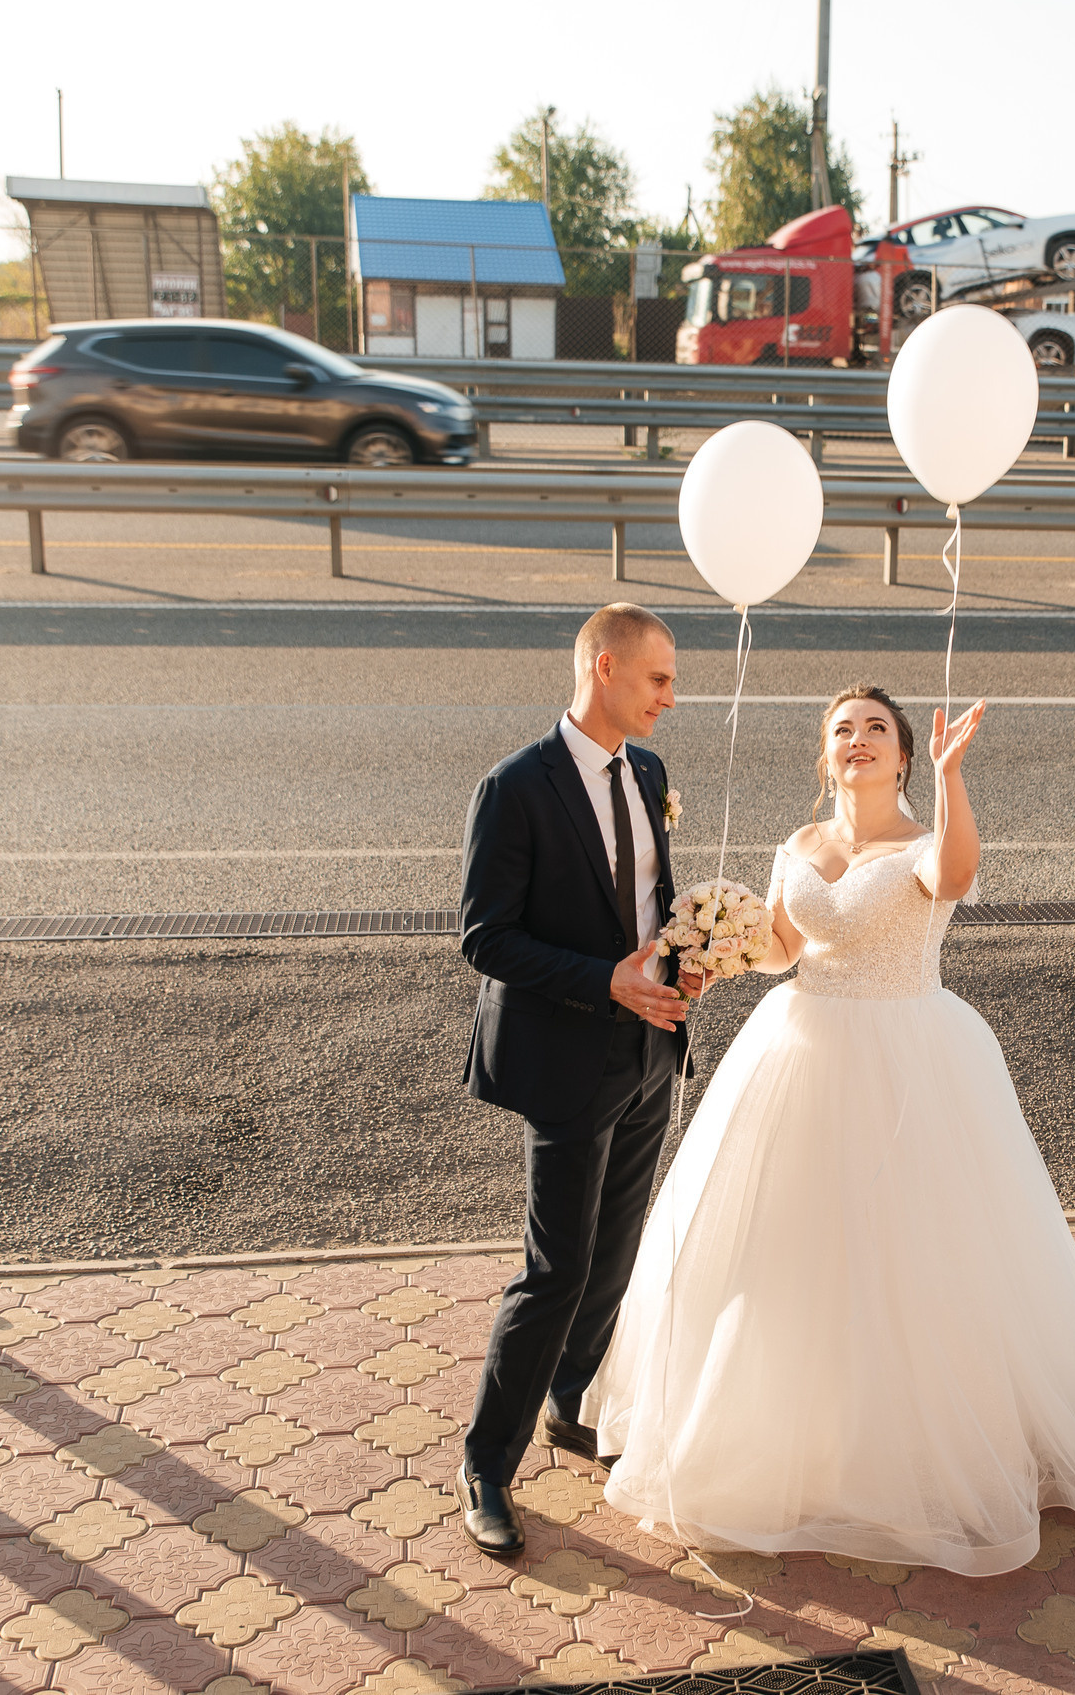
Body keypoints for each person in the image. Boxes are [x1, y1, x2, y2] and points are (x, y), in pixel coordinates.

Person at [578, 685, 1075, 1577]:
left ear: (902, 754)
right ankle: (796, 1422)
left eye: (877, 730)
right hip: (798, 1048)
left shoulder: (920, 841)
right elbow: (787, 947)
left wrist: (952, 780)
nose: (859, 740)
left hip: (911, 1057)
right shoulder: (800, 844)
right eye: (843, 730)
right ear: (825, 755)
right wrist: (719, 945)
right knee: (791, 1247)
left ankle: (916, 1435)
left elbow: (952, 877)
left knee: (913, 1246)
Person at [455, 603, 692, 1557]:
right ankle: (485, 1463)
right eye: (659, 679)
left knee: (615, 1252)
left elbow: (650, 900)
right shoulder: (516, 786)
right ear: (603, 666)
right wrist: (606, 980)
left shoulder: (651, 772)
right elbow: (484, 935)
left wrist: (688, 956)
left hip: (647, 1055)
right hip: (564, 1061)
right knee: (554, 1270)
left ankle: (569, 1399)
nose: (671, 697)